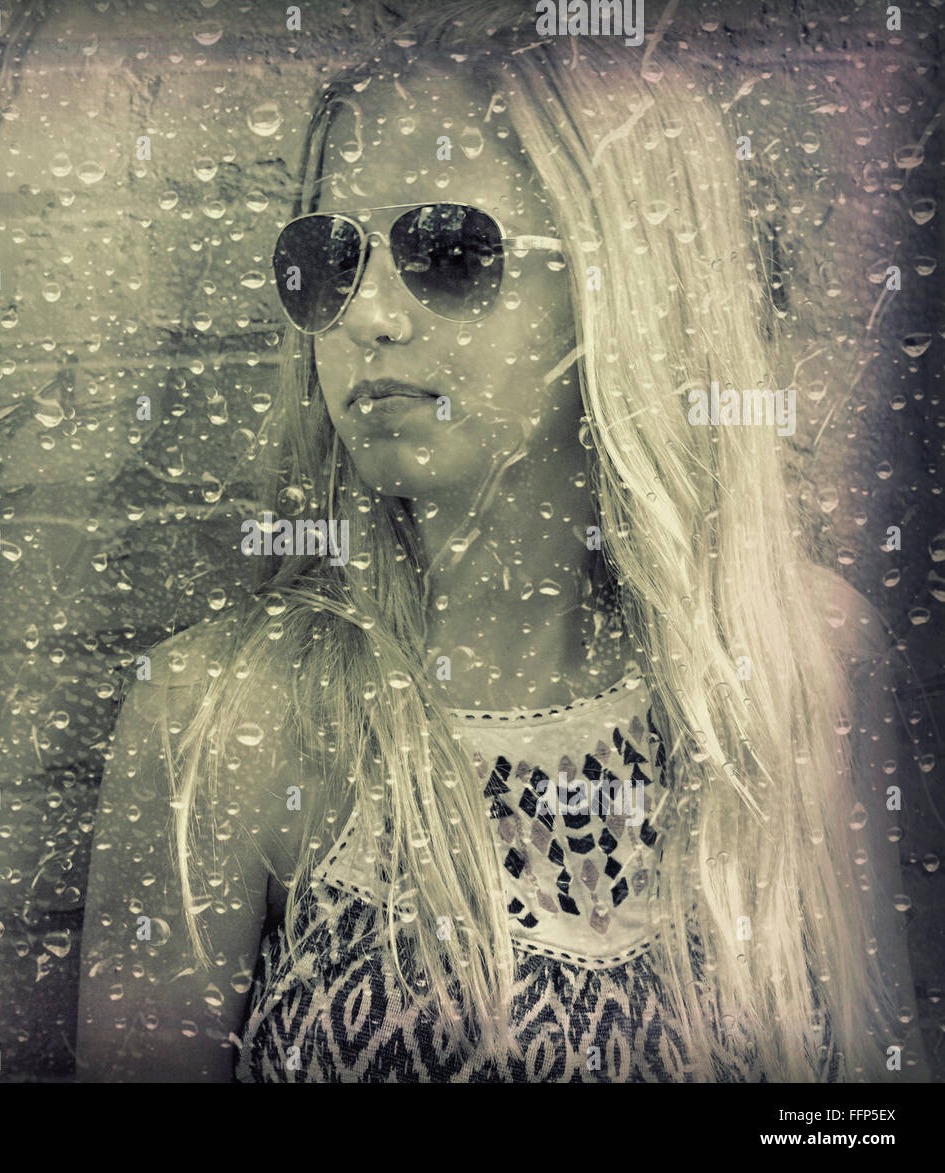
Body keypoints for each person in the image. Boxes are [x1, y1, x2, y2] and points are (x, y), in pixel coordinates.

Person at [76, 1, 927, 1082]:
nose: (368, 315)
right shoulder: (227, 713)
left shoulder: (802, 656)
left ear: (620, 284)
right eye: (331, 259)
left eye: (446, 250)